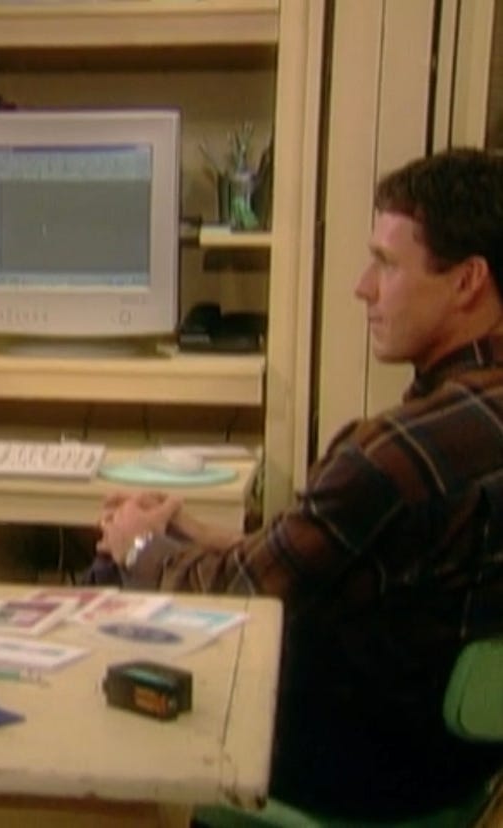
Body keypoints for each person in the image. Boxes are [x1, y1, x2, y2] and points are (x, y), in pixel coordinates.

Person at [91, 148, 503, 820]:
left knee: (113, 625)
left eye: (387, 264)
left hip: (348, 773)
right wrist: (196, 532)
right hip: (459, 774)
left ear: (467, 281)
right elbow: (335, 557)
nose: (363, 287)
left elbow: (242, 593)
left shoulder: (393, 454)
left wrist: (138, 546)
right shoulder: (469, 423)